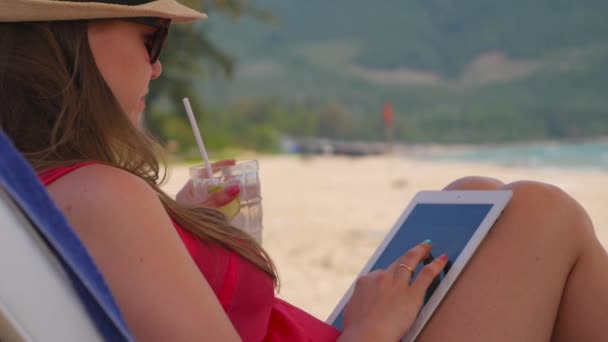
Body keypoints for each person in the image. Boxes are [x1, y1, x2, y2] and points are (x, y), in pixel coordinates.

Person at [1, 1, 606, 341]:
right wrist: (370, 331)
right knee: (540, 213)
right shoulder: (102, 195)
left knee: (478, 201)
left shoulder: (47, 192)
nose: (157, 70)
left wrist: (186, 234)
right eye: (151, 38)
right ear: (69, 43)